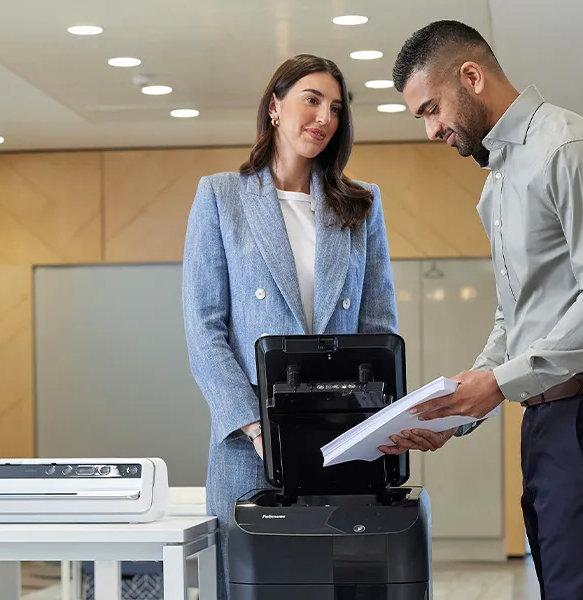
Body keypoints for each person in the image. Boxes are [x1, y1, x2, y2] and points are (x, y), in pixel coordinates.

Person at [380, 20, 583, 600]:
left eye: (432, 109)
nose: (433, 130)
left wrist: (501, 384)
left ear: (472, 76)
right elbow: (515, 320)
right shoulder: (497, 183)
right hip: (548, 420)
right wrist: (454, 412)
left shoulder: (572, 150)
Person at [182, 54, 397, 599]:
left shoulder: (360, 204)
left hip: (340, 435)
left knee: (331, 584)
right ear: (275, 107)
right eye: (311, 99)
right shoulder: (220, 197)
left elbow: (377, 326)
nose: (324, 116)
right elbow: (204, 329)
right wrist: (258, 429)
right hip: (249, 442)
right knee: (253, 585)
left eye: (335, 108)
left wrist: (377, 425)